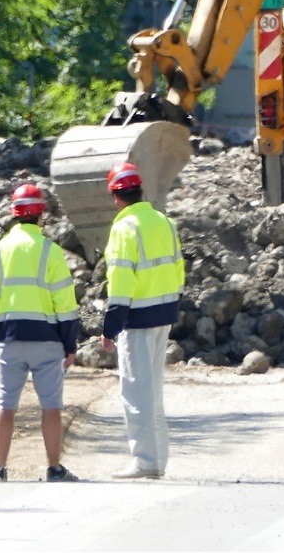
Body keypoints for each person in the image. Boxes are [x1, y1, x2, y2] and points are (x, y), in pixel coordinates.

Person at [0, 183, 81, 482]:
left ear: (14, 214)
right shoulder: (51, 251)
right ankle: (54, 468)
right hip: (47, 340)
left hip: (9, 339)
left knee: (5, 405)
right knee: (51, 406)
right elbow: (64, 300)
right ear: (41, 215)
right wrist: (69, 342)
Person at [99, 161, 186, 480]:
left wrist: (111, 324)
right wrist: (172, 303)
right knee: (154, 390)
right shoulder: (163, 221)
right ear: (140, 190)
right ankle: (158, 459)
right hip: (164, 313)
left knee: (136, 391)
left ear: (115, 196)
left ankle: (145, 461)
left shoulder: (124, 228)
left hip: (136, 318)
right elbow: (179, 268)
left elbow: (121, 279)